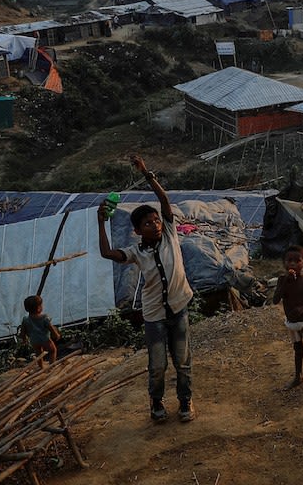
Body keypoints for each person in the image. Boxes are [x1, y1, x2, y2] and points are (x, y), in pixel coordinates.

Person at [97, 154, 195, 423]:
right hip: (154, 315)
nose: (155, 224)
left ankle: (186, 401)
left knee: (183, 360)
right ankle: (156, 402)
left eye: (156, 220)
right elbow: (106, 252)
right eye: (148, 223)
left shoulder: (170, 234)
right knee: (158, 364)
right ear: (138, 231)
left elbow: (164, 201)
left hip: (179, 307)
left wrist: (145, 172)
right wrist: (100, 222)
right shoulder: (135, 252)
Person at [272, 245, 303, 395]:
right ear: (284, 263)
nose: (292, 264)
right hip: (292, 323)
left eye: (297, 261)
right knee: (297, 349)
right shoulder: (282, 280)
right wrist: (284, 283)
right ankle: (298, 376)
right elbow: (275, 300)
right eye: (289, 261)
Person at [20, 294, 60, 366]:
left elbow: (23, 331)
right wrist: (56, 334)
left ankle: (41, 366)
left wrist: (24, 339)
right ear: (39, 308)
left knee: (38, 352)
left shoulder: (25, 320)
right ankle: (51, 365)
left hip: (34, 340)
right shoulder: (44, 318)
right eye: (41, 305)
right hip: (45, 339)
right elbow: (50, 328)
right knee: (52, 350)